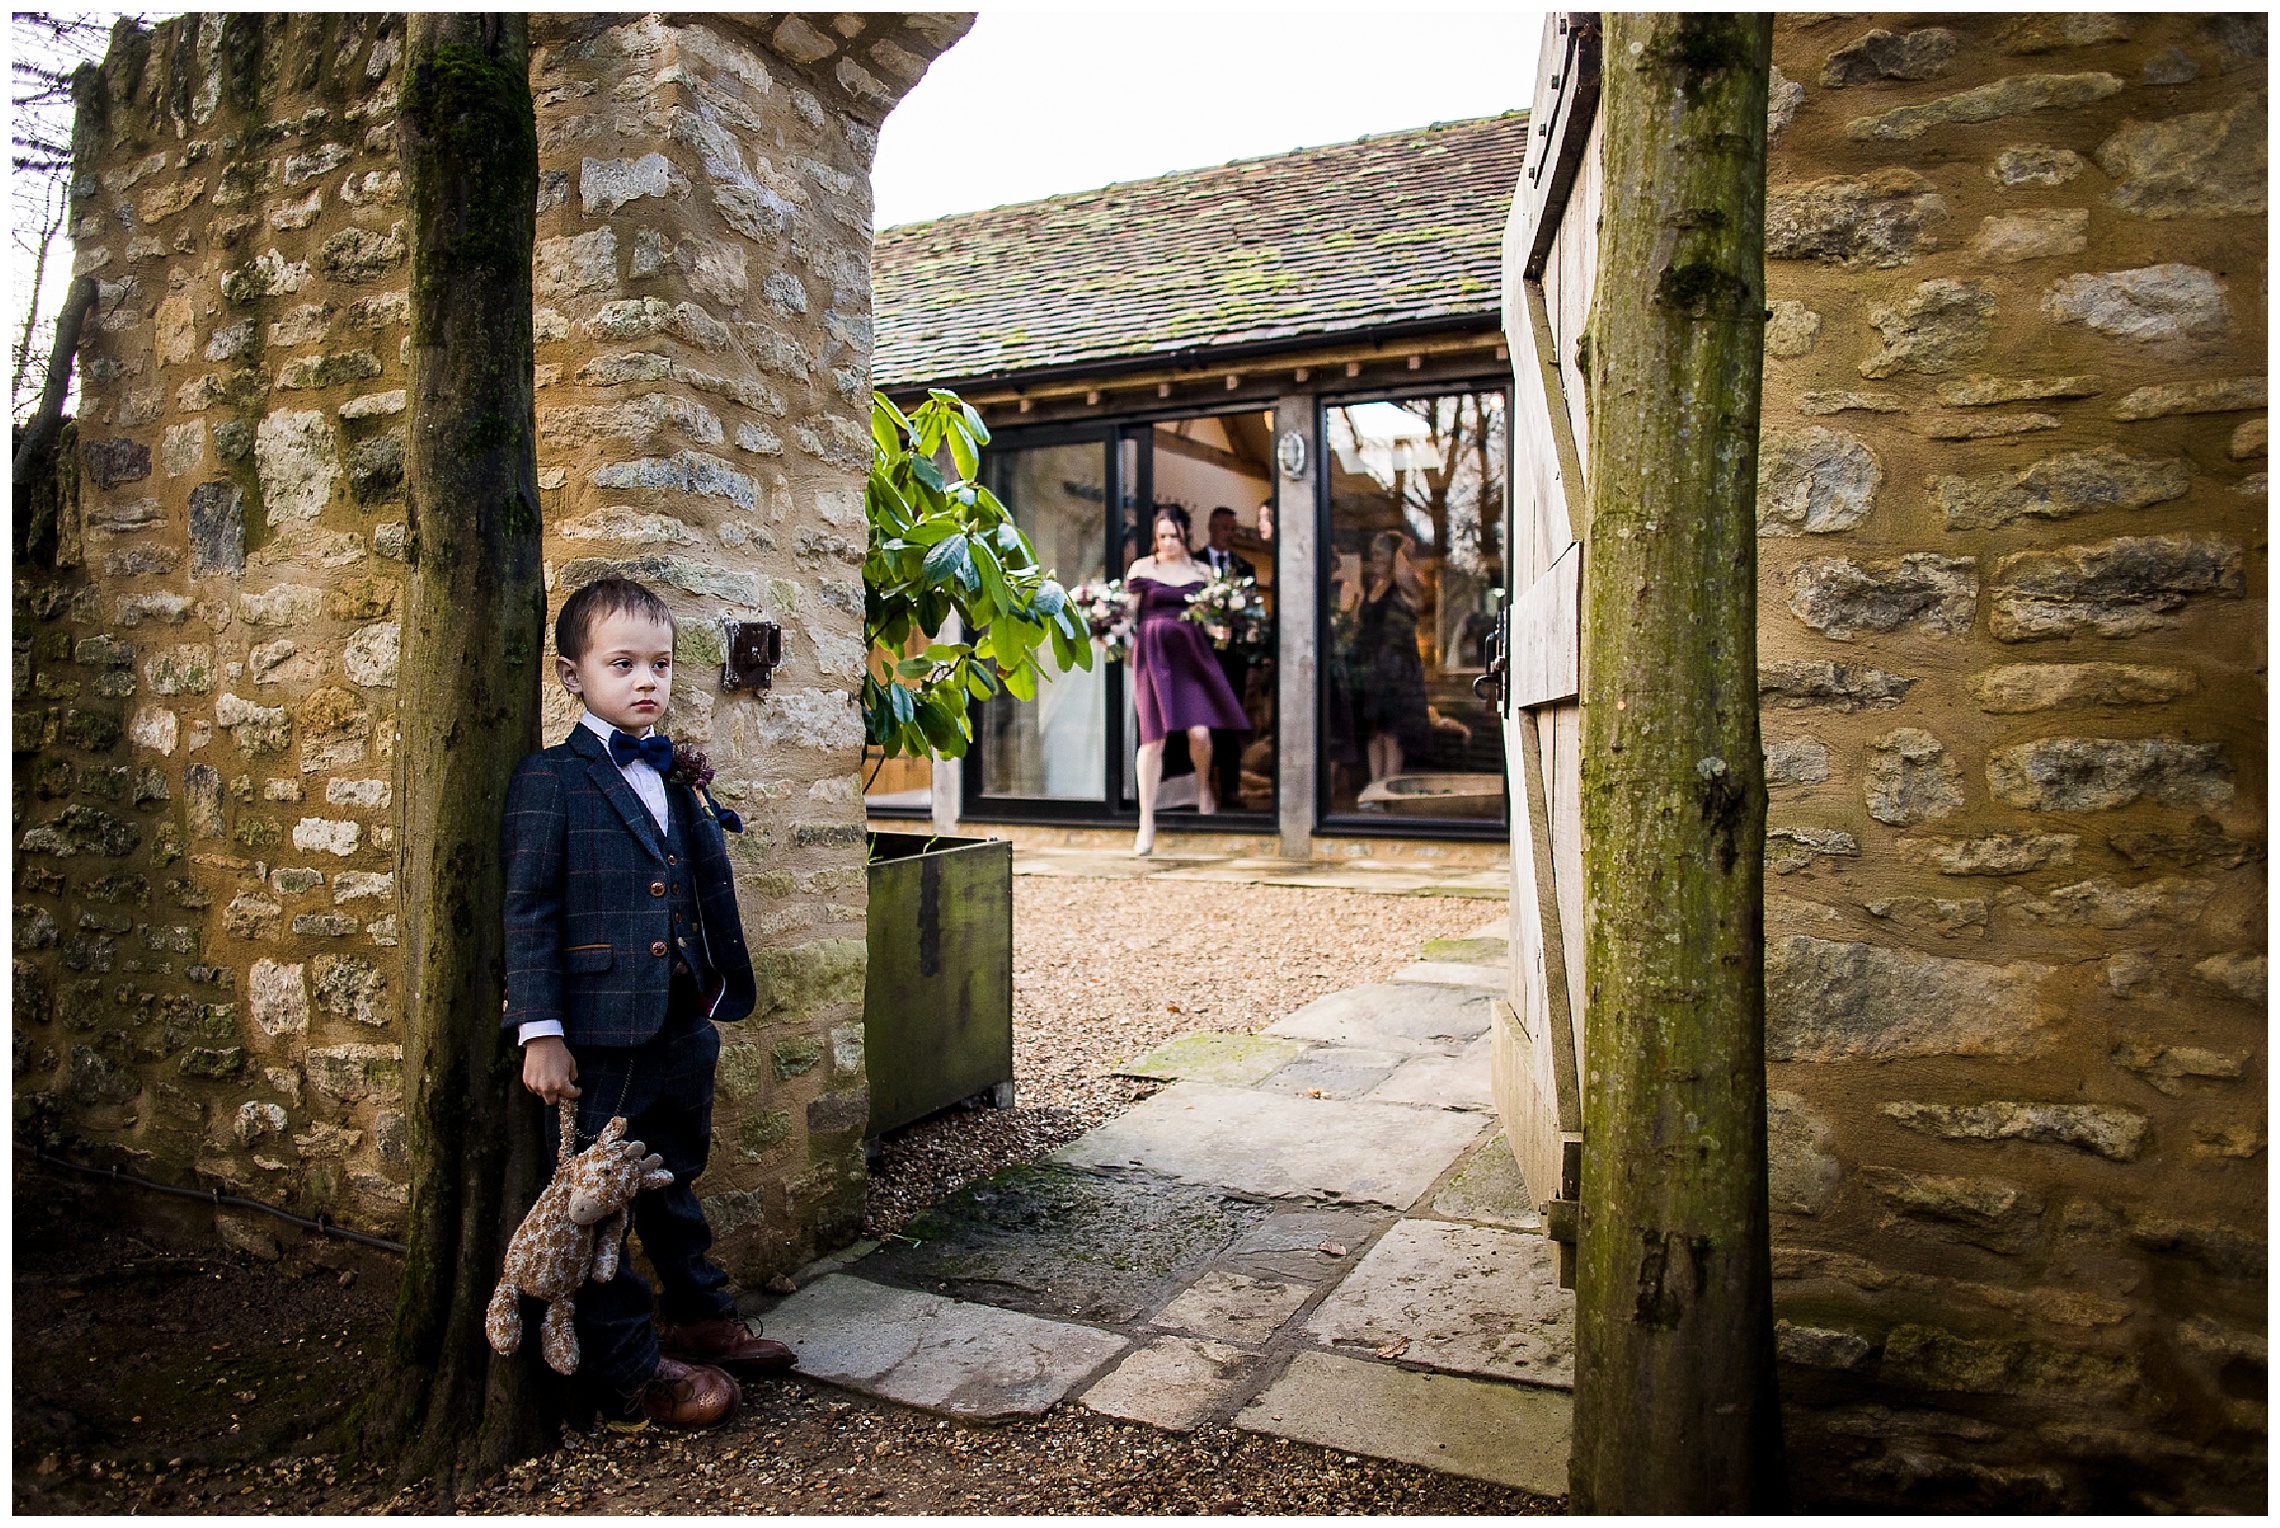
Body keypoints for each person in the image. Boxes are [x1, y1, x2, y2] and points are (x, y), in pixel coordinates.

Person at [504, 575, 794, 1431]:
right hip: (598, 1028)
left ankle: (700, 1312)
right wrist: (541, 1032)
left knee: (674, 1172)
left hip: (679, 1018)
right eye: (622, 663)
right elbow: (529, 908)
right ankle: (633, 1371)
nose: (646, 681)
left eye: (660, 664)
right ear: (570, 674)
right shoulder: (550, 781)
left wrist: (704, 992)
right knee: (601, 1200)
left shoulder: (672, 771)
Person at [1124, 505, 1249, 855]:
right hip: (1152, 657)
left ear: (1185, 536)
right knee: (1153, 739)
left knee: (1199, 732)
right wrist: (1111, 631)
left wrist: (1222, 626)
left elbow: (1214, 615)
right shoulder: (1142, 568)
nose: (1167, 542)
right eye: (1161, 536)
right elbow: (1128, 613)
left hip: (1191, 657)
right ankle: (1146, 820)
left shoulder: (1202, 571)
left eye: (1174, 536)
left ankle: (1203, 787)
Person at [1355, 530, 1431, 789]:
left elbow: (1404, 573)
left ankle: (1388, 789)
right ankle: (1375, 787)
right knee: (1373, 733)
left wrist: (1401, 549)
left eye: (1379, 552)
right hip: (1372, 670)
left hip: (1397, 672)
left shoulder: (1404, 587)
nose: (1373, 557)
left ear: (1392, 556)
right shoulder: (1372, 588)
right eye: (1372, 552)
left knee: (1392, 733)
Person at [1199, 506, 1259, 811]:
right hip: (1202, 655)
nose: (1230, 533)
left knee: (1232, 722)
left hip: (1233, 658)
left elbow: (1251, 618)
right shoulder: (1195, 564)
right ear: (1211, 528)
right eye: (1225, 527)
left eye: (1233, 528)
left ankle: (1232, 788)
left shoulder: (1245, 568)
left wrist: (1250, 662)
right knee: (1203, 721)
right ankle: (1204, 786)